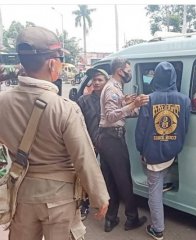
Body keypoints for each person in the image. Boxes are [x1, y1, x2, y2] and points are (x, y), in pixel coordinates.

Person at [0, 26, 109, 240]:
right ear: (52, 63)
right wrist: (100, 197)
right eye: (60, 59)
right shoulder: (65, 108)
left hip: (22, 194)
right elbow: (83, 158)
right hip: (60, 199)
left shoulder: (3, 102)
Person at [135, 62, 191, 240]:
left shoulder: (148, 99)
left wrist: (140, 149)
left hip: (153, 151)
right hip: (173, 148)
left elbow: (141, 129)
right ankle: (165, 182)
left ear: (156, 77)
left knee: (154, 194)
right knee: (163, 173)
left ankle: (157, 229)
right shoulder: (185, 100)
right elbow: (185, 126)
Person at [98, 57, 149, 232]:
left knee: (111, 180)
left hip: (107, 138)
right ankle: (132, 219)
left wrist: (133, 105)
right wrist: (133, 104)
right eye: (128, 69)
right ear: (120, 70)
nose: (129, 73)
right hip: (112, 139)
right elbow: (112, 116)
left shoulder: (116, 89)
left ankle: (111, 218)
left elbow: (122, 113)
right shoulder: (112, 89)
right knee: (124, 180)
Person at [77, 68, 109, 220]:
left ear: (106, 82)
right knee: (86, 175)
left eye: (100, 80)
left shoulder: (111, 99)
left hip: (109, 143)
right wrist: (87, 142)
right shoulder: (83, 100)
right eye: (94, 80)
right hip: (90, 143)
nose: (96, 83)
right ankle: (84, 205)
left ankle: (106, 203)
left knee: (108, 174)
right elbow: (78, 124)